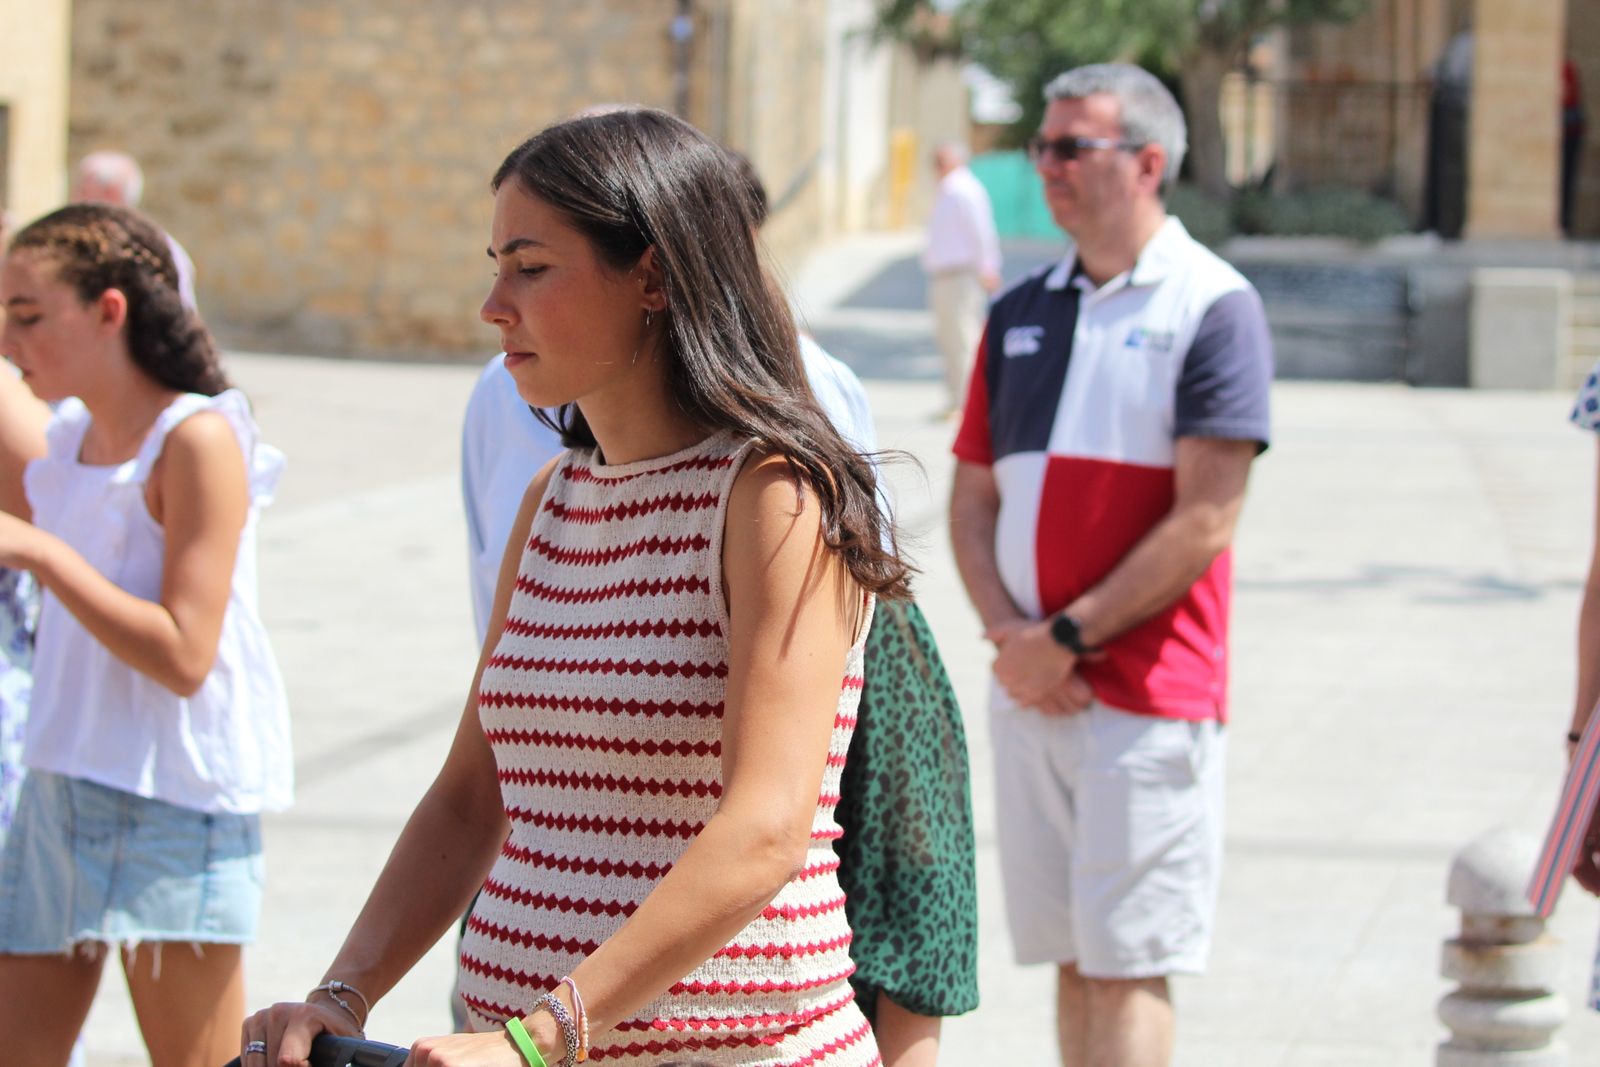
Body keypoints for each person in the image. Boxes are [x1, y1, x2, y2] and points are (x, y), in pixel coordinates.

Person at [244, 107, 904, 1067]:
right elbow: (473, 800)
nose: (492, 304)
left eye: (531, 266)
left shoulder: (774, 495)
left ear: (652, 276)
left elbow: (766, 826)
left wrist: (541, 1034)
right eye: (495, 264)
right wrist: (341, 996)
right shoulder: (555, 497)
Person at [948, 63, 1273, 1067]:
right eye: (1040, 145)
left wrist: (1065, 637)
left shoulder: (1215, 304)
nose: (1042, 164)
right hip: (1032, 687)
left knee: (1129, 960)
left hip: (1148, 694)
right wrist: (1012, 639)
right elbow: (971, 498)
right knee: (1076, 959)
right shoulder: (1016, 313)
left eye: (1066, 146)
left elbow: (1206, 517)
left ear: (1144, 162)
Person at [0, 202, 291, 1067]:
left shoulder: (197, 438)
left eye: (27, 316)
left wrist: (45, 556)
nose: (11, 344)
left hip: (174, 798)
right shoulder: (67, 439)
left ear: (110, 310)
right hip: (60, 786)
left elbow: (185, 654)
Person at [923, 142, 1000, 415]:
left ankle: (968, 405)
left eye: (942, 159)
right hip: (946, 275)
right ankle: (958, 400)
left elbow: (982, 232)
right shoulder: (948, 189)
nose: (937, 165)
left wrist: (988, 267)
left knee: (963, 339)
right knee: (951, 339)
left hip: (961, 275)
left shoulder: (964, 190)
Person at [72, 149, 199, 310]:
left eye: (82, 190)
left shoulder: (162, 252)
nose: (75, 200)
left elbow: (182, 322)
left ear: (111, 194)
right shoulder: (78, 246)